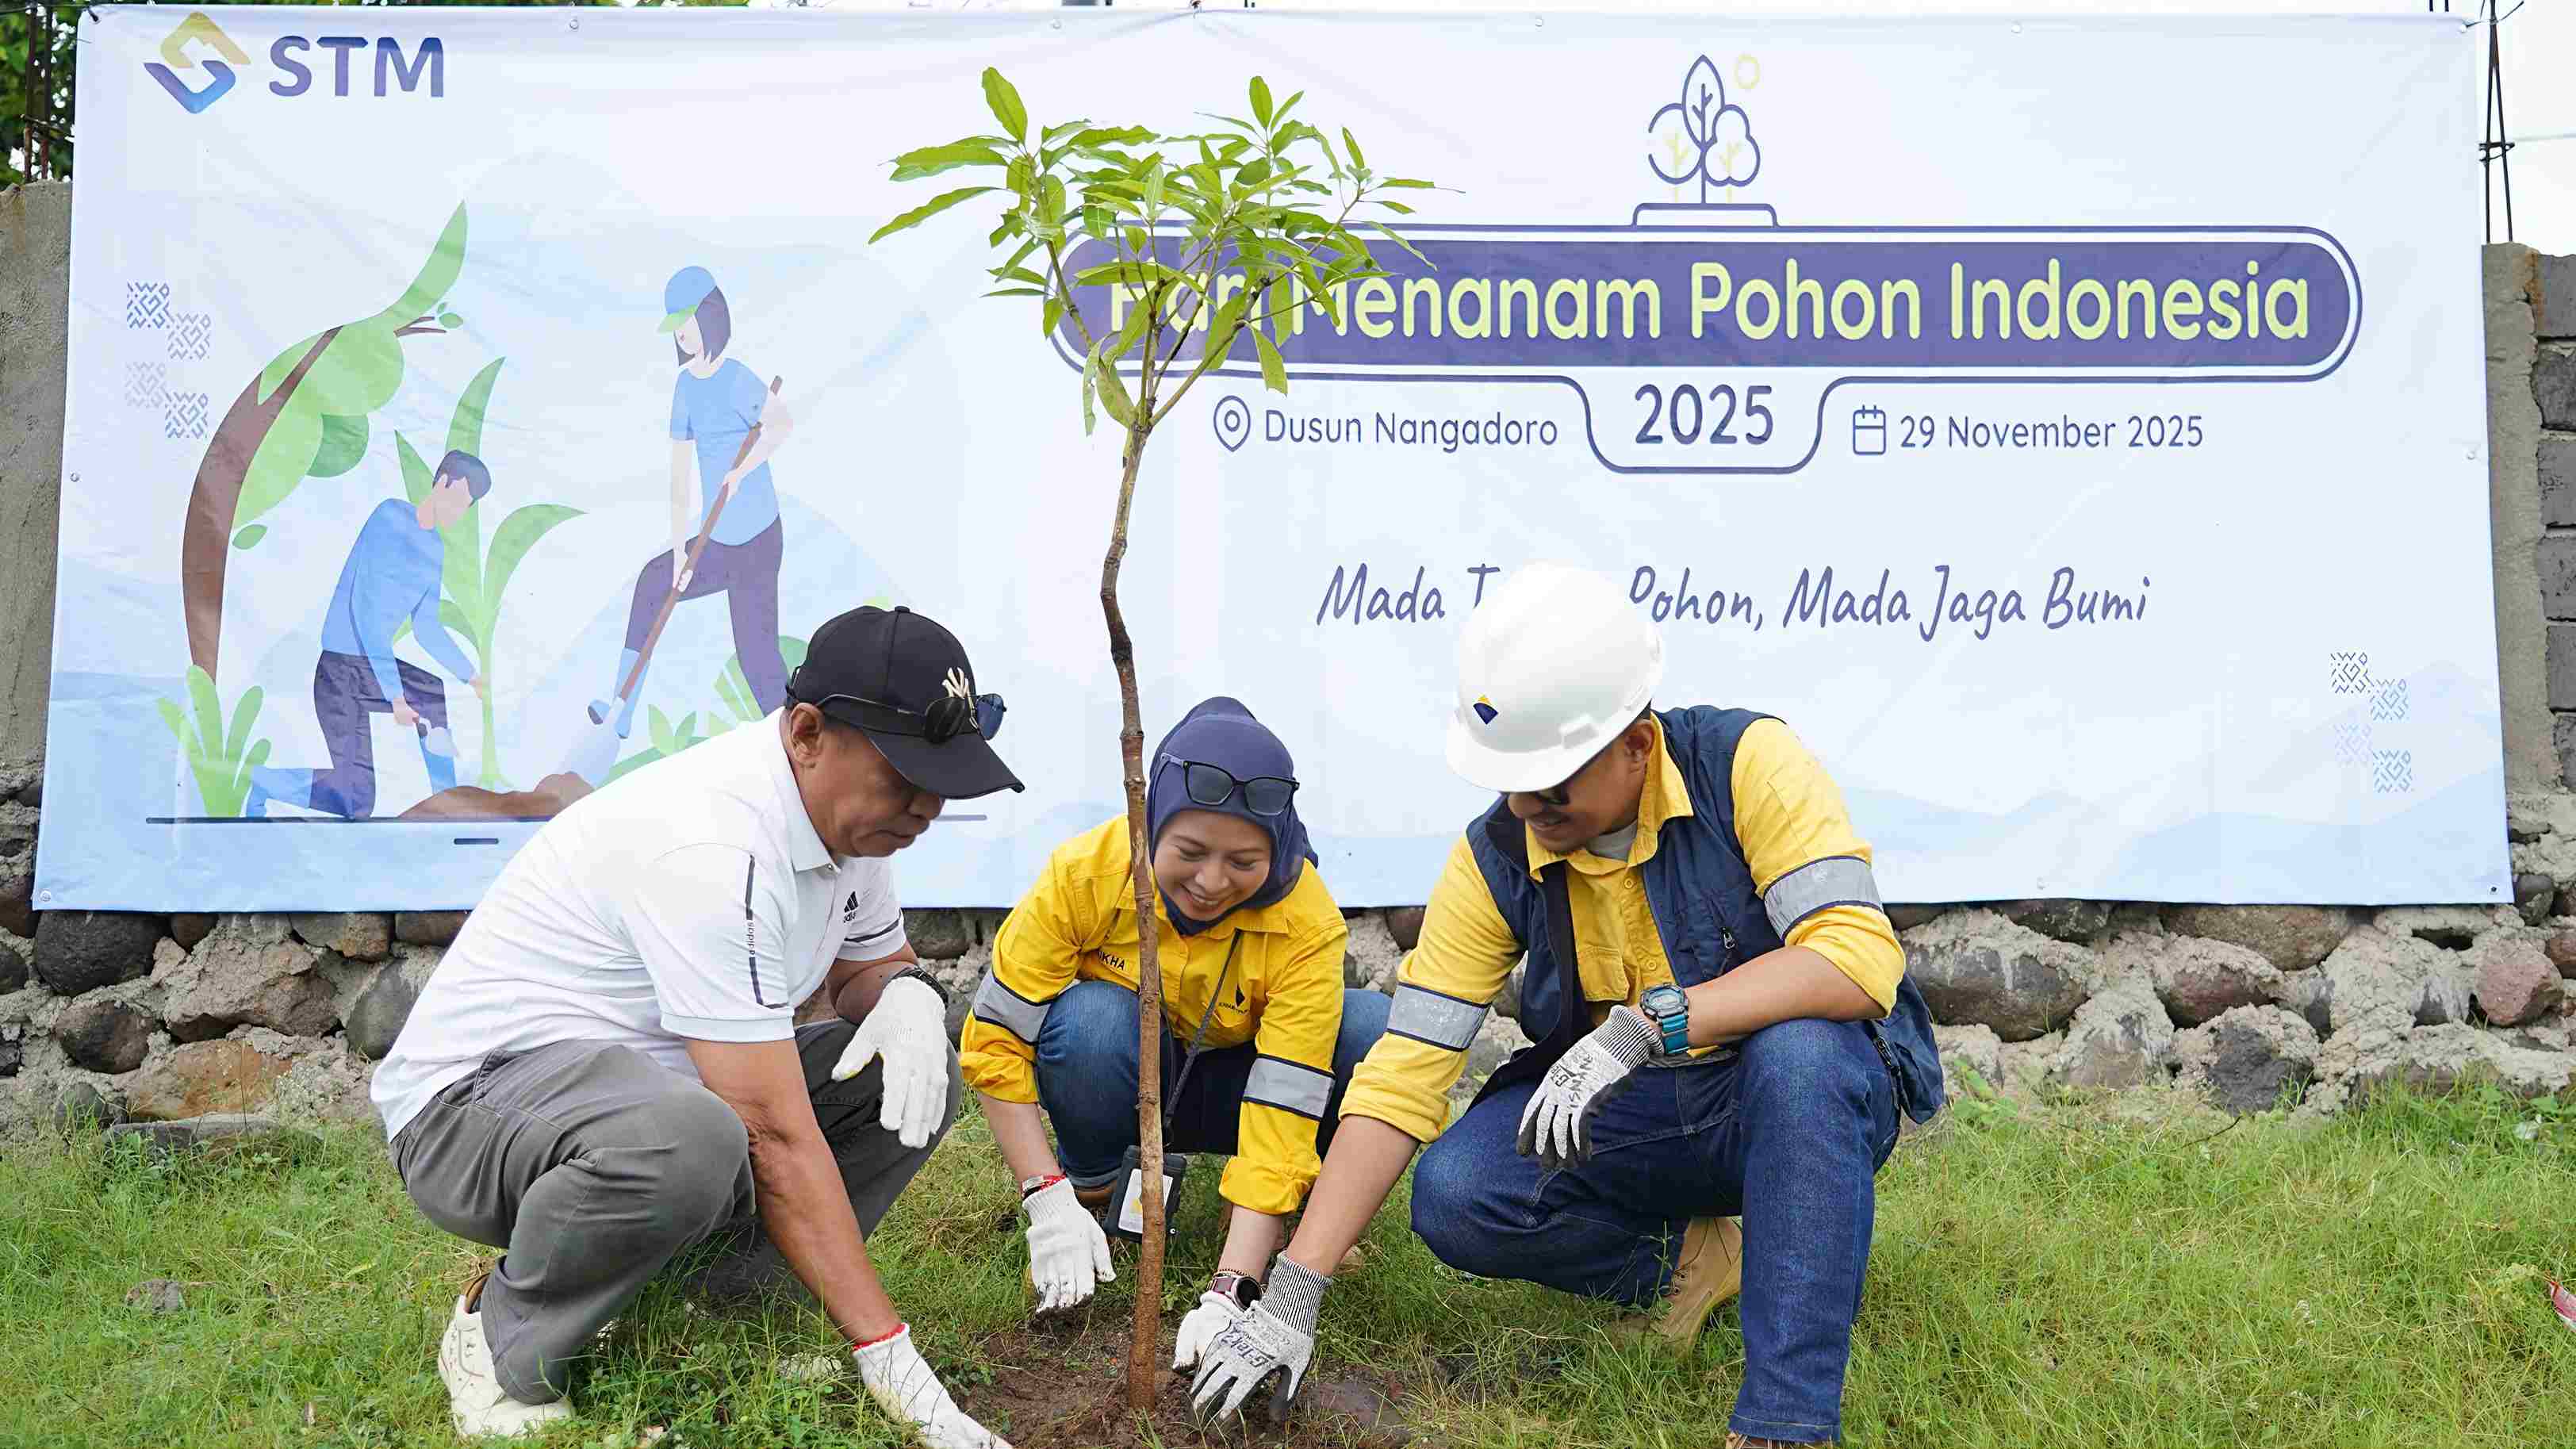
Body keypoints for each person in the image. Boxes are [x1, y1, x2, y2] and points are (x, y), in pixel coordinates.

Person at [1186, 563, 1946, 1449]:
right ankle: (1694, 1262)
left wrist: (1649, 1023)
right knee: (1461, 1189)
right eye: (1511, 781)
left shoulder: (1747, 765)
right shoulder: (1493, 855)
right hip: (1649, 1114)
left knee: (1804, 1057)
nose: (1524, 805)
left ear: (1637, 742)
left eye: (1551, 783)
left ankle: (1784, 1417)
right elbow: (1401, 1077)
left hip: (1788, 1098)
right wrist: (1293, 1293)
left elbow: (1855, 961)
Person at [370, 604, 1022, 1448]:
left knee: (901, 1075)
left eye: (941, 778)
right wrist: (889, 1355)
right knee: (696, 1139)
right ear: (806, 733)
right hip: (468, 1112)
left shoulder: (850, 830)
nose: (926, 804)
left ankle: (714, 1317)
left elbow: (866, 967)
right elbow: (769, 1134)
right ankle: (501, 1337)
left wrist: (907, 998)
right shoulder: (712, 847)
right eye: (903, 774)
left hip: (640, 1095)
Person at [959, 697, 1386, 1342]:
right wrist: (1042, 1196)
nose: (1211, 881)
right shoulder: (1085, 873)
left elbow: (1285, 1099)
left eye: (1244, 863)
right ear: (1151, 819)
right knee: (1090, 1022)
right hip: (1129, 1074)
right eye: (1189, 851)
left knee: (1369, 1034)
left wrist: (1230, 1289)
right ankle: (1095, 1193)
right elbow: (995, 1040)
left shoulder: (1306, 920)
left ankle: (1282, 1222)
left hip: (1242, 1091)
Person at [591, 266, 794, 739]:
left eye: (688, 319)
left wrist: (743, 470)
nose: (682, 332)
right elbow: (680, 476)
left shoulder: (737, 377)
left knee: (756, 658)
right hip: (716, 539)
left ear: (711, 315)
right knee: (652, 583)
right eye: (675, 323)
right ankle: (620, 707)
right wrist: (682, 550)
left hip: (758, 539)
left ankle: (803, 742)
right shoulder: (685, 387)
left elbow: (780, 423)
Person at [246, 450, 489, 819]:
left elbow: (427, 627)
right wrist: (395, 696)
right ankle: (268, 783)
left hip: (369, 671)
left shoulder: (434, 548)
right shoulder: (390, 518)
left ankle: (447, 801)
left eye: (466, 507)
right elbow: (368, 617)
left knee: (428, 692)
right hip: (340, 672)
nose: (459, 513)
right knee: (357, 801)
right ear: (442, 483)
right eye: (458, 500)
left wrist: (470, 675)